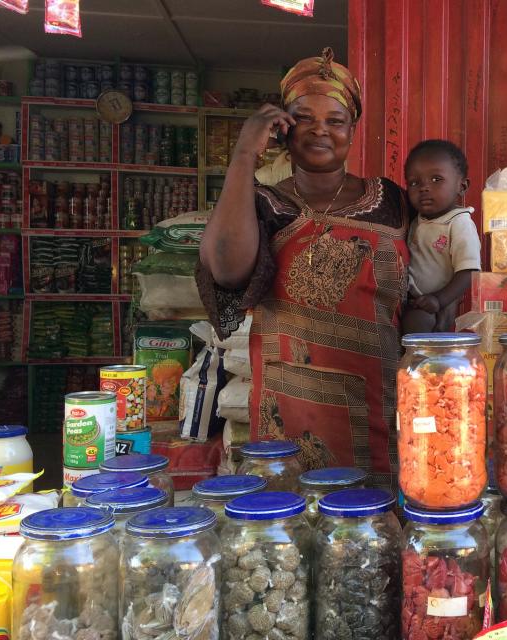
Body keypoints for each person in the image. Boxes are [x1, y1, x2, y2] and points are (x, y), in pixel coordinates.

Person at [197, 48, 410, 489]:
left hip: (380, 399)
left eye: (335, 120)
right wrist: (243, 156)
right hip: (293, 406)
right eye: (304, 118)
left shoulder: (390, 200)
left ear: (352, 130)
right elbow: (226, 270)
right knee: (291, 523)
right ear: (282, 129)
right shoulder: (264, 201)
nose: (320, 131)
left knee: (373, 530)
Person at [403, 140, 481, 333]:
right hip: (415, 299)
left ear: (461, 186)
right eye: (414, 183)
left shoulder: (459, 223)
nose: (424, 188)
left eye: (436, 179)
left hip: (436, 305)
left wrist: (439, 300)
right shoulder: (415, 219)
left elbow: (468, 271)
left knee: (417, 325)